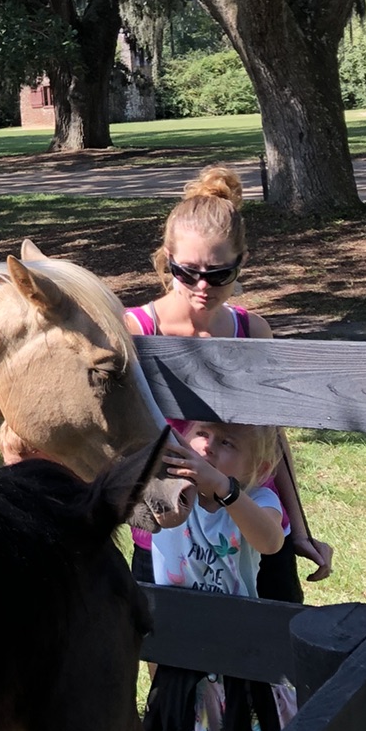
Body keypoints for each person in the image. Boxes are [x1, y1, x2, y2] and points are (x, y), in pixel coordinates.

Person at [122, 166, 333, 601]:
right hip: (168, 530)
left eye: (219, 274)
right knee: (171, 645)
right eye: (187, 272)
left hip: (249, 521)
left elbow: (272, 439)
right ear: (167, 258)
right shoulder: (135, 330)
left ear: (242, 262)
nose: (203, 286)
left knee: (275, 641)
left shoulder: (252, 331)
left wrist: (299, 529)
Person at [142, 421, 297, 731]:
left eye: (227, 443)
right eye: (202, 434)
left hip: (242, 671)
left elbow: (269, 541)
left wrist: (224, 489)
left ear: (258, 468)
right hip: (188, 675)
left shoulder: (259, 499)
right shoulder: (166, 491)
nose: (208, 447)